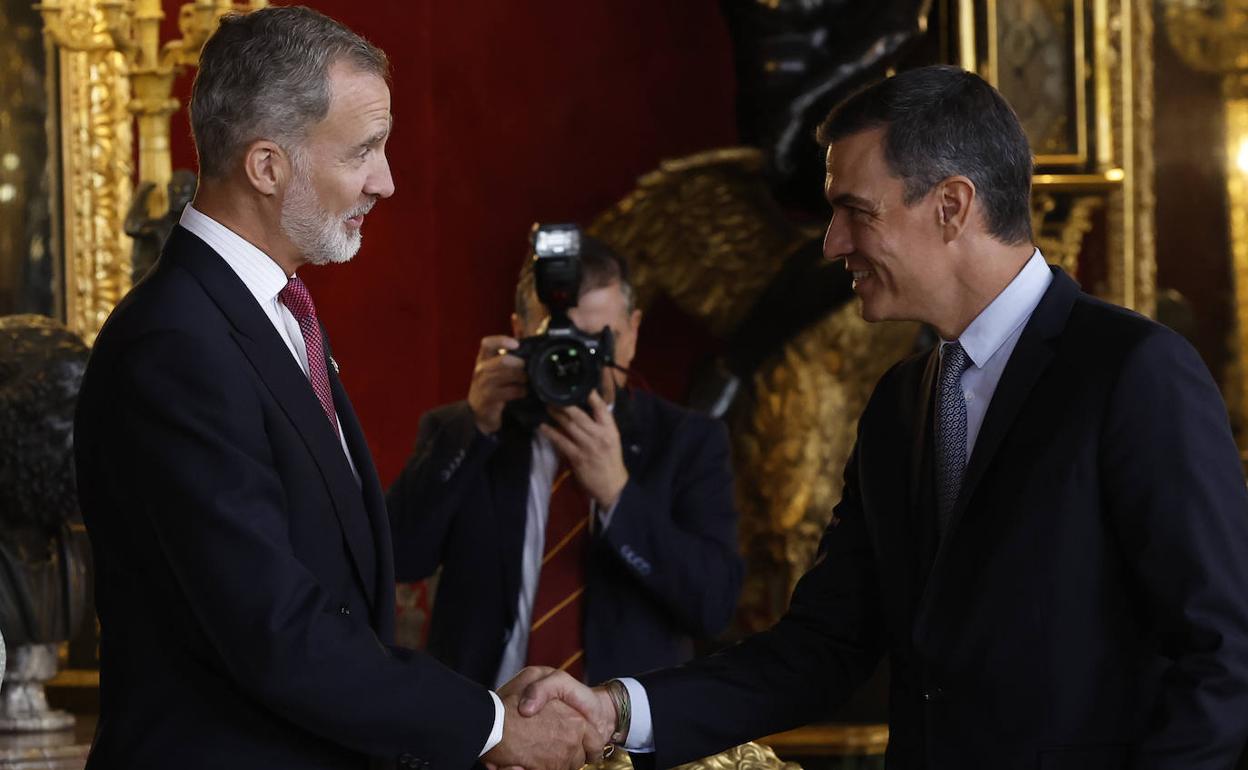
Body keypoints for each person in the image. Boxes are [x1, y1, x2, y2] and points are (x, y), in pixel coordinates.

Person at [516, 65, 1248, 769]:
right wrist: (614, 711)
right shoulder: (902, 402)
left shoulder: (1133, 370)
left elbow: (1223, 655)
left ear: (952, 206)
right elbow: (821, 647)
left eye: (854, 212)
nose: (832, 243)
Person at [73, 7, 595, 769]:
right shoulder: (174, 346)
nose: (385, 182)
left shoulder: (267, 313)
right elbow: (275, 629)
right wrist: (487, 723)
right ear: (266, 166)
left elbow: (336, 584)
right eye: (364, 151)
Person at [387, 237, 743, 688]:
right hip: (487, 730)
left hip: (622, 742)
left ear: (632, 334)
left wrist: (618, 495)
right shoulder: (463, 431)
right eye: (558, 342)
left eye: (595, 342)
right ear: (519, 334)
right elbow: (399, 558)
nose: (576, 361)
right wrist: (472, 427)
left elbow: (713, 607)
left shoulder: (688, 441)